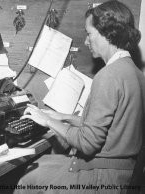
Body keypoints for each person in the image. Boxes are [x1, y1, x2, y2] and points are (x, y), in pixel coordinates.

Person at [14, 1, 144, 193]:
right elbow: (110, 127)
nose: (86, 41)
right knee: (41, 165)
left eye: (89, 33)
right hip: (120, 173)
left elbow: (87, 143)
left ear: (108, 34)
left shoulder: (108, 75)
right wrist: (64, 117)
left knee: (27, 180)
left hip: (100, 177)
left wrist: (48, 120)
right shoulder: (135, 73)